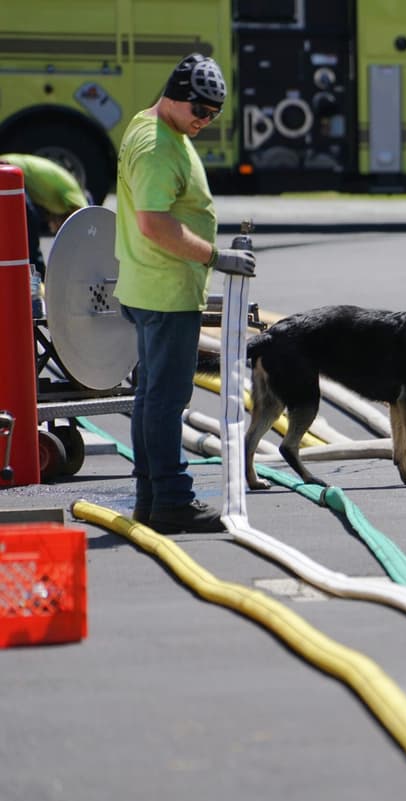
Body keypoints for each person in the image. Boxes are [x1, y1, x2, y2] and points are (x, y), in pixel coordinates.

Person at [114, 52, 256, 534]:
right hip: (165, 291)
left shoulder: (154, 127)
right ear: (176, 97)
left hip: (151, 285)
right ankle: (172, 500)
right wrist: (215, 257)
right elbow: (154, 223)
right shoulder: (157, 146)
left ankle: (151, 498)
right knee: (166, 399)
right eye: (200, 111)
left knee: (151, 395)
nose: (205, 121)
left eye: (213, 115)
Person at [0, 152, 89, 316]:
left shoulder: (55, 199)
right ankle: (36, 289)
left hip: (11, 169)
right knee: (28, 228)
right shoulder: (74, 195)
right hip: (8, 169)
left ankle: (35, 285)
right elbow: (84, 223)